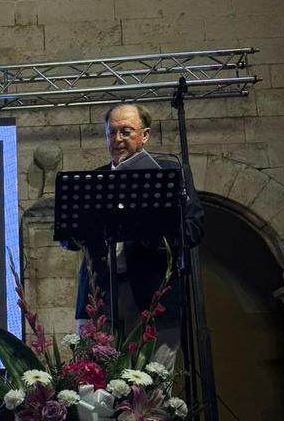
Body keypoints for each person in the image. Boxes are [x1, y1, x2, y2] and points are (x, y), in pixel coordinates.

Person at [68, 104, 204, 366]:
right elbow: (70, 238)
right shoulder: (93, 180)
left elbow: (193, 229)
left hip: (152, 295)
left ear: (145, 135)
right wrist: (78, 230)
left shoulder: (171, 174)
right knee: (94, 381)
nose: (117, 139)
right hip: (100, 297)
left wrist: (150, 231)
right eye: (112, 133)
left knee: (151, 384)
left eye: (126, 131)